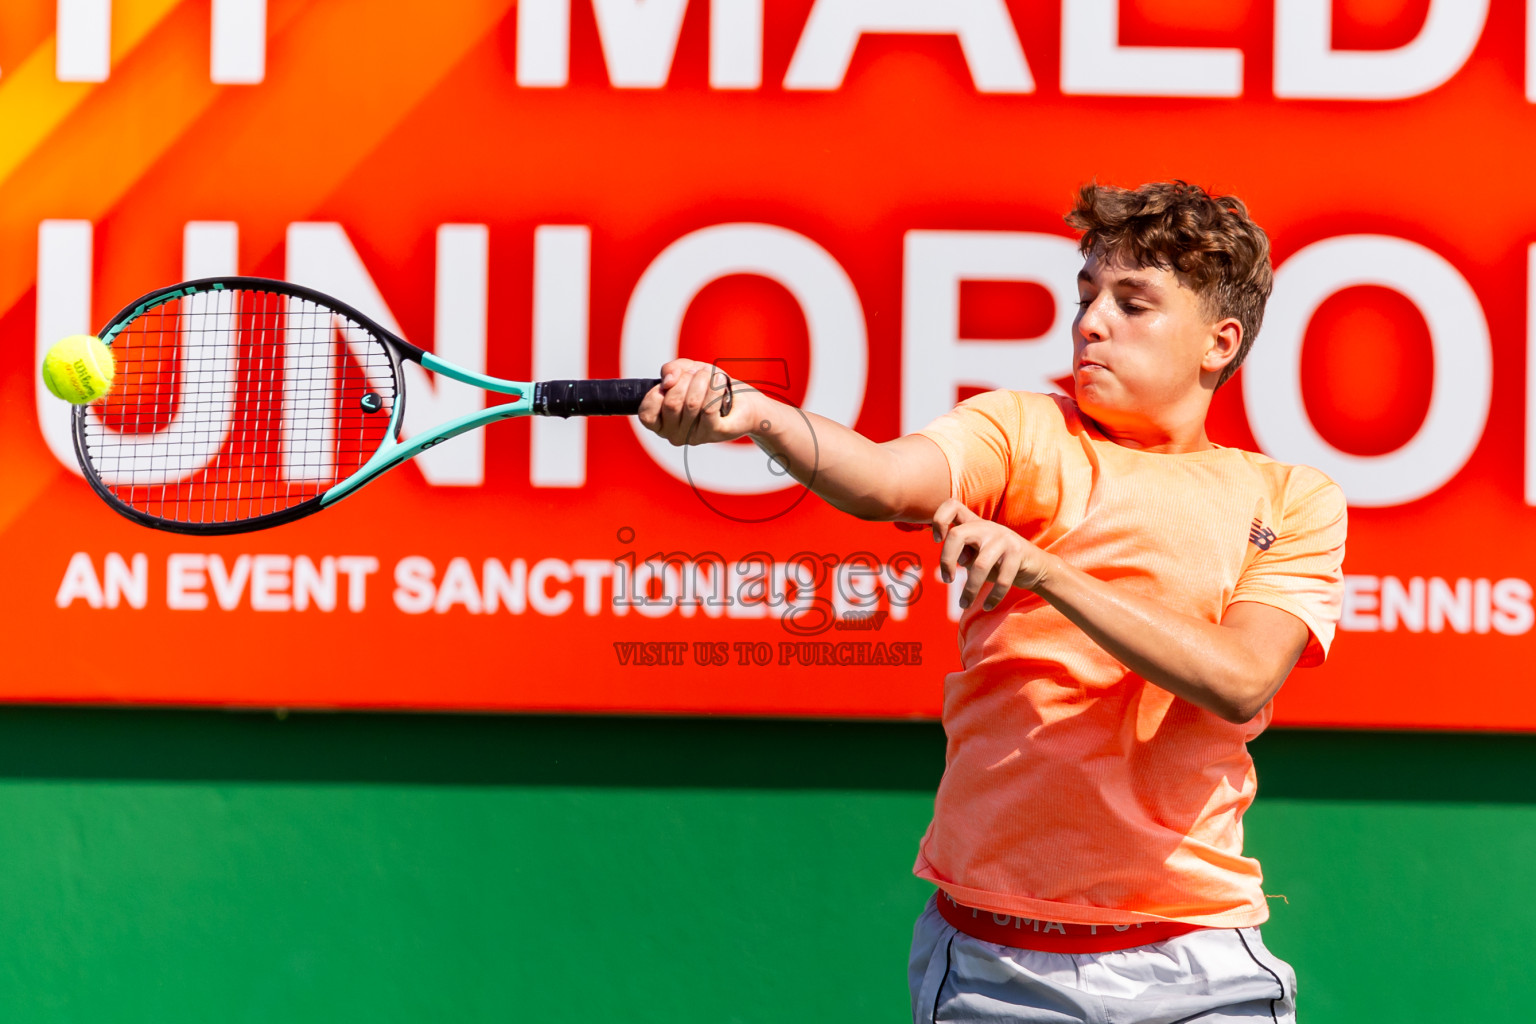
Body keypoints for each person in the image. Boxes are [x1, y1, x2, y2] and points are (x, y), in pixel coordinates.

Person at [638, 180, 1346, 1023]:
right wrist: (765, 418)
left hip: (1199, 963)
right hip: (995, 968)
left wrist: (1044, 571)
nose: (1091, 322)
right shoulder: (1017, 429)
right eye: (1086, 296)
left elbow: (1239, 680)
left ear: (1218, 343)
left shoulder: (1293, 499)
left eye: (1134, 303)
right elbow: (885, 482)